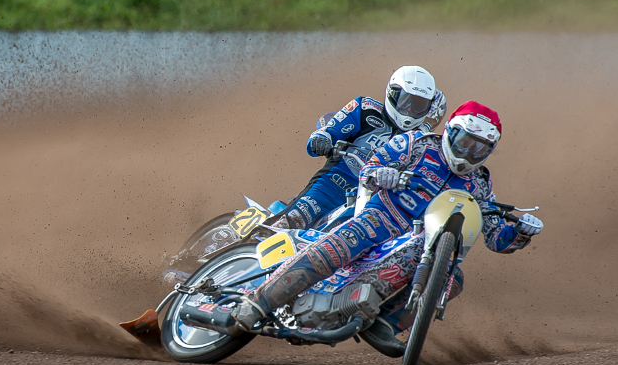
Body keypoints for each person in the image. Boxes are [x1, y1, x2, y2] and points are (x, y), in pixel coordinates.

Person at [232, 101, 544, 339]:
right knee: (342, 243)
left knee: (455, 278)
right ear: (450, 131)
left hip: (419, 242)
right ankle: (258, 302)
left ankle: (384, 325)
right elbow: (369, 170)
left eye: (480, 148)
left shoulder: (480, 183)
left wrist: (520, 232)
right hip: (380, 217)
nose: (470, 153)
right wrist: (385, 173)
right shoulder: (415, 144)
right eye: (465, 143)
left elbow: (493, 235)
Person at [273, 66, 447, 230]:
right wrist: (321, 139)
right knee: (291, 221)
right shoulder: (364, 109)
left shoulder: (420, 142)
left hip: (376, 203)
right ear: (392, 94)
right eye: (405, 101)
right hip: (333, 185)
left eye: (418, 105)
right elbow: (327, 132)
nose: (409, 109)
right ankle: (254, 242)